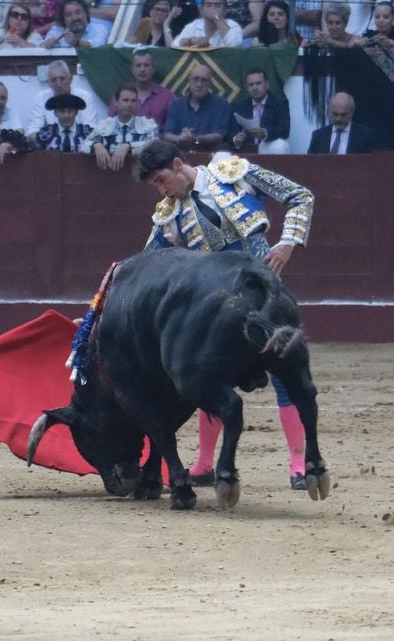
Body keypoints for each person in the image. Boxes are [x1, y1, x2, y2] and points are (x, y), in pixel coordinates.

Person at [135, 140, 316, 490]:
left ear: (178, 164)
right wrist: (100, 306)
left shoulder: (234, 174)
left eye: (161, 180)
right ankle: (204, 464)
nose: (161, 190)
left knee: (284, 374)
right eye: (155, 185)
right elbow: (144, 268)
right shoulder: (168, 216)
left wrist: (288, 241)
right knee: (209, 376)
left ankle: (298, 465)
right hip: (218, 310)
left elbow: (300, 196)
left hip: (266, 293)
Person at [84, 84, 159, 169]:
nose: (129, 104)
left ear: (137, 104)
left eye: (133, 101)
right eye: (125, 100)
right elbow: (83, 145)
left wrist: (128, 146)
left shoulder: (147, 125)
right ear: (116, 102)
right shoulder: (104, 126)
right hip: (109, 177)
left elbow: (155, 145)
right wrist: (96, 144)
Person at [163, 62, 232, 153]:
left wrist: (195, 139)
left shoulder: (221, 104)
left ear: (210, 83)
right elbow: (167, 135)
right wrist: (180, 138)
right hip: (181, 157)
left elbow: (219, 136)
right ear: (189, 81)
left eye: (204, 80)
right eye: (195, 79)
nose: (199, 85)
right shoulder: (177, 105)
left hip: (211, 158)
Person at [27, 60, 100, 137]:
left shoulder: (84, 96)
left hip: (80, 145)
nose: (58, 84)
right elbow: (33, 129)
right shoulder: (41, 97)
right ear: (48, 83)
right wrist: (41, 140)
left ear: (70, 79)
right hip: (51, 146)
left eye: (62, 79)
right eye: (53, 80)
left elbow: (91, 128)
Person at [229, 68, 291, 154]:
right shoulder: (238, 106)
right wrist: (236, 139)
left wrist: (265, 133)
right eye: (251, 84)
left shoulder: (280, 103)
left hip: (268, 147)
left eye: (258, 83)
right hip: (245, 149)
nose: (255, 88)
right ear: (247, 88)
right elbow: (229, 132)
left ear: (267, 85)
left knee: (281, 145)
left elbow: (284, 130)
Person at [108, 49, 174, 128]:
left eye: (146, 65)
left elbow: (171, 130)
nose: (142, 69)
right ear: (132, 70)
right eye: (138, 65)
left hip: (157, 140)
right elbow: (110, 125)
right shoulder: (120, 95)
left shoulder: (167, 97)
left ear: (153, 69)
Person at [308, 91, 378, 153]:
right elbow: (310, 164)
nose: (339, 119)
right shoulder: (318, 136)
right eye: (335, 114)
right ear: (328, 111)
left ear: (352, 112)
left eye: (343, 115)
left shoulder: (366, 136)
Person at [174, 0, 244, 47]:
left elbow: (234, 44)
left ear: (225, 11)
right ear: (202, 10)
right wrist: (190, 41)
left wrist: (217, 19)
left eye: (217, 6)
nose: (212, 8)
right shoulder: (194, 25)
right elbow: (174, 45)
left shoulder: (233, 25)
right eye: (208, 5)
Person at [39, 0, 106, 47]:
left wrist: (76, 43)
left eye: (77, 13)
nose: (74, 18)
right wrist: (47, 45)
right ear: (63, 19)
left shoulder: (98, 28)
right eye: (68, 15)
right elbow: (42, 46)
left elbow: (98, 46)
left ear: (85, 13)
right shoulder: (57, 30)